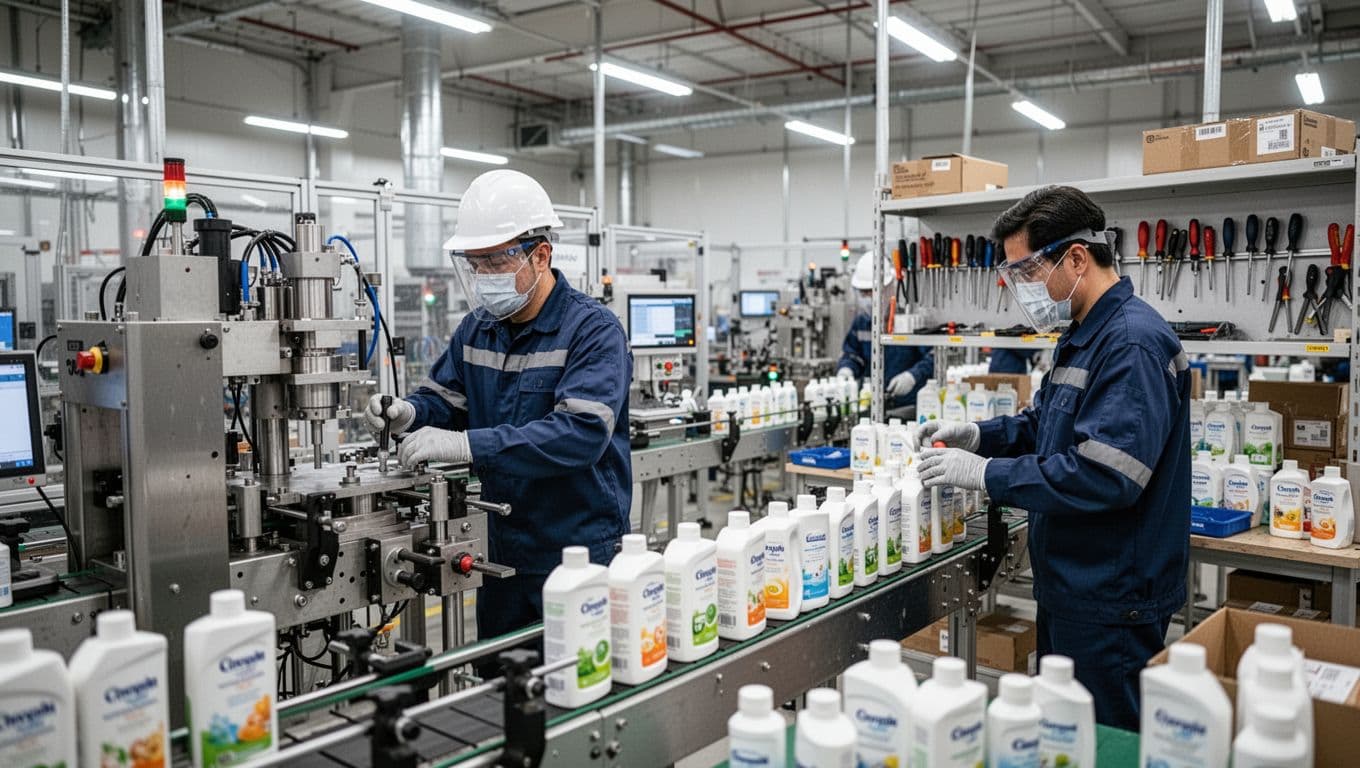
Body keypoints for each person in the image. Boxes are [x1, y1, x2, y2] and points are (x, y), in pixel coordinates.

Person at [914, 186, 1191, 730]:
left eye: (1027, 271)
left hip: (1112, 594)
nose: (1021, 288)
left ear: (1077, 259)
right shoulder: (1086, 333)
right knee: (1064, 738)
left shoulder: (1131, 342)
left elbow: (1105, 474)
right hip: (1075, 584)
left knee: (1101, 741)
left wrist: (988, 475)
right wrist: (979, 436)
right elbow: (1045, 424)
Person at [365, 169, 632, 639]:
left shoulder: (593, 330)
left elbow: (581, 434)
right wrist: (410, 413)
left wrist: (468, 445)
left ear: (541, 254)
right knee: (499, 675)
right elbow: (445, 400)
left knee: (579, 675)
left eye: (494, 262)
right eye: (475, 264)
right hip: (503, 550)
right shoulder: (478, 329)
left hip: (579, 551)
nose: (484, 276)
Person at [837, 251, 933, 408]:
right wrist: (846, 369)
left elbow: (932, 357)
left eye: (871, 291)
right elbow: (853, 354)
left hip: (910, 405)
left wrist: (912, 376)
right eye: (863, 293)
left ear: (889, 288)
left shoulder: (910, 320)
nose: (867, 299)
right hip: (872, 404)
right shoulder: (862, 322)